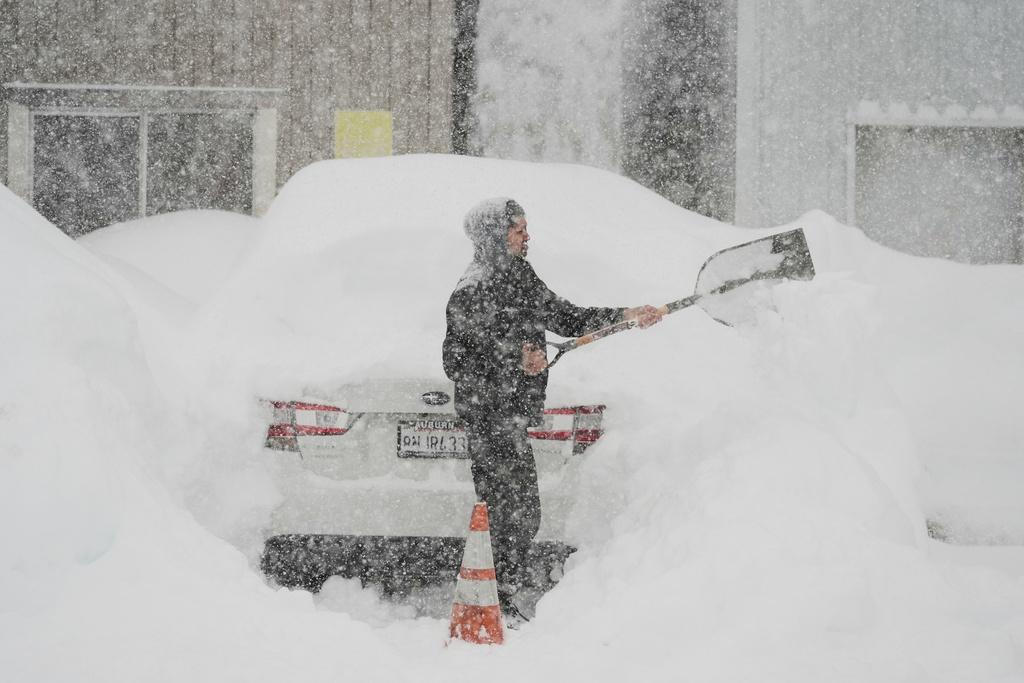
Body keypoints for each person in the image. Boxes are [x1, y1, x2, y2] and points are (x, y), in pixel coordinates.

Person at [442, 197, 661, 625]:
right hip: (490, 419)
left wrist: (626, 315)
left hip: (512, 417)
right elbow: (456, 361)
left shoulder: (519, 276)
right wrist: (513, 360)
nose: (527, 237)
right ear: (495, 236)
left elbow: (564, 315)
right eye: (519, 229)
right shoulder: (472, 289)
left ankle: (499, 596)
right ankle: (493, 603)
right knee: (509, 514)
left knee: (520, 514)